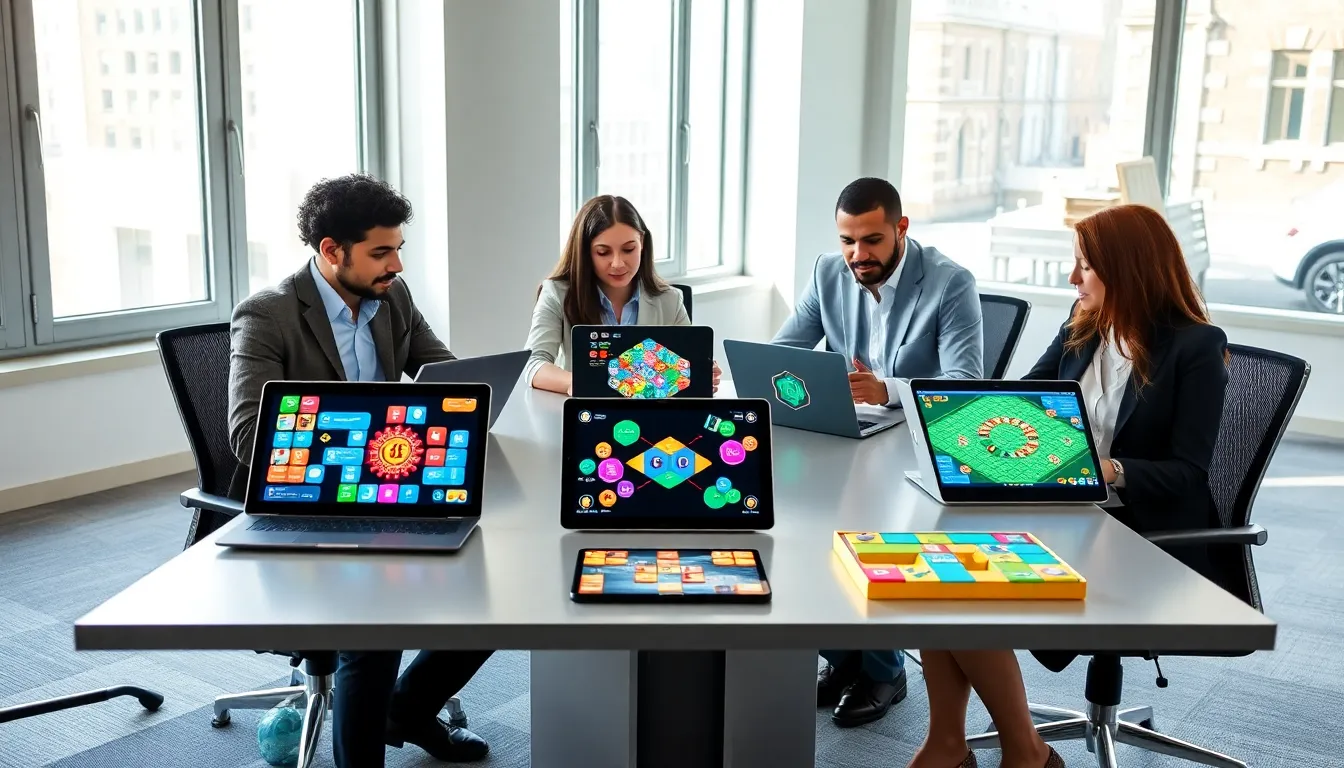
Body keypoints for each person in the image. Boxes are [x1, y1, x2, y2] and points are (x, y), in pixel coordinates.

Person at [910, 204, 1229, 768]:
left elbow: (1189, 471)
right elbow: (1020, 402)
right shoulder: (1082, 329)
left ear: (1127, 269)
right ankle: (957, 745)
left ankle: (1015, 751)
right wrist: (958, 427)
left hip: (1139, 535)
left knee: (959, 589)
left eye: (1084, 266)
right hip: (1063, 511)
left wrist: (1106, 469)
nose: (1072, 278)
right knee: (942, 568)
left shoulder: (1194, 347)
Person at [226, 174, 491, 767]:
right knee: (374, 629)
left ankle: (409, 708)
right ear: (330, 251)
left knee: (497, 586)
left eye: (399, 249)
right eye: (381, 252)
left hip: (398, 489)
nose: (396, 264)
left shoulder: (391, 298)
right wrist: (371, 440)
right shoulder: (268, 316)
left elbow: (445, 377)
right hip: (311, 506)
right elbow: (248, 436)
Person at [772, 177, 984, 728]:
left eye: (870, 241)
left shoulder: (949, 282)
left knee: (871, 538)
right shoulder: (828, 271)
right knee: (801, 519)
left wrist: (885, 387)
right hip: (851, 435)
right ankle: (845, 659)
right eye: (847, 241)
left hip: (914, 443)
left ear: (900, 229)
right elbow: (784, 351)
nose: (857, 255)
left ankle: (886, 671)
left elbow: (965, 383)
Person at [524, 194, 720, 394]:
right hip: (582, 414)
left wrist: (700, 373)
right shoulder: (557, 294)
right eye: (603, 252)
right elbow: (533, 363)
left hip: (650, 416)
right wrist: (584, 383)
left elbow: (684, 366)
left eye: (628, 249)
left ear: (642, 243)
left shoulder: (670, 299)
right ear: (585, 252)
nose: (617, 263)